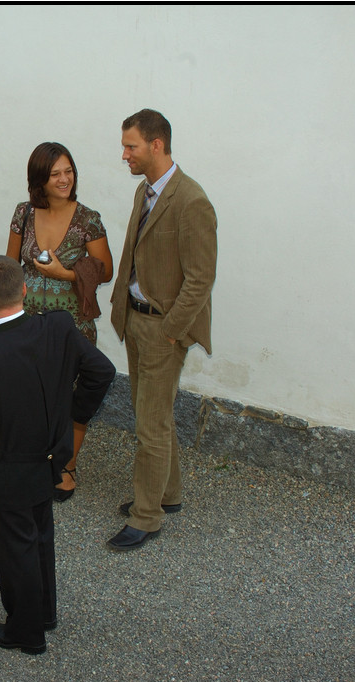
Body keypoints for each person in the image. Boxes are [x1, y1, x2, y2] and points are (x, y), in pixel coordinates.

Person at [0, 256, 114, 655]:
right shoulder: (58, 327)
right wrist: (71, 417)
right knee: (40, 539)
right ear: (24, 289)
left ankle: (26, 632)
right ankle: (44, 612)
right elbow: (102, 371)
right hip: (49, 461)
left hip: (5, 475)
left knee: (16, 551)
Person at [108, 108, 217, 551]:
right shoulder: (145, 191)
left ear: (157, 145)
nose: (124, 154)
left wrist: (171, 331)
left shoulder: (191, 201)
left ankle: (146, 516)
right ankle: (167, 494)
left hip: (162, 330)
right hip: (135, 319)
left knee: (149, 426)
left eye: (130, 146)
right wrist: (123, 309)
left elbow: (201, 279)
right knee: (153, 415)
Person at [7, 142, 114, 503]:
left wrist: (64, 274)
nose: (64, 179)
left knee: (70, 397)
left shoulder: (87, 219)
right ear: (39, 178)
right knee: (30, 396)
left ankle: (67, 466)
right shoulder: (23, 213)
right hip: (28, 324)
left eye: (68, 171)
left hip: (72, 326)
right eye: (55, 174)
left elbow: (106, 271)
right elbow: (10, 265)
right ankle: (33, 460)